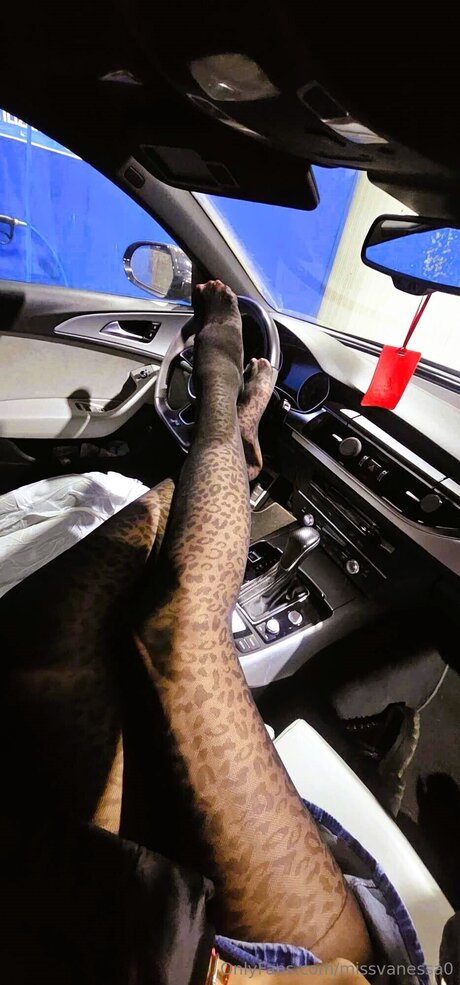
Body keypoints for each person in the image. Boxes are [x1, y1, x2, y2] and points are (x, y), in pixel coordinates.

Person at [0, 282, 423, 985]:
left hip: (71, 909)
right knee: (178, 626)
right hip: (268, 963)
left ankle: (223, 448)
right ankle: (224, 422)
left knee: (35, 651)